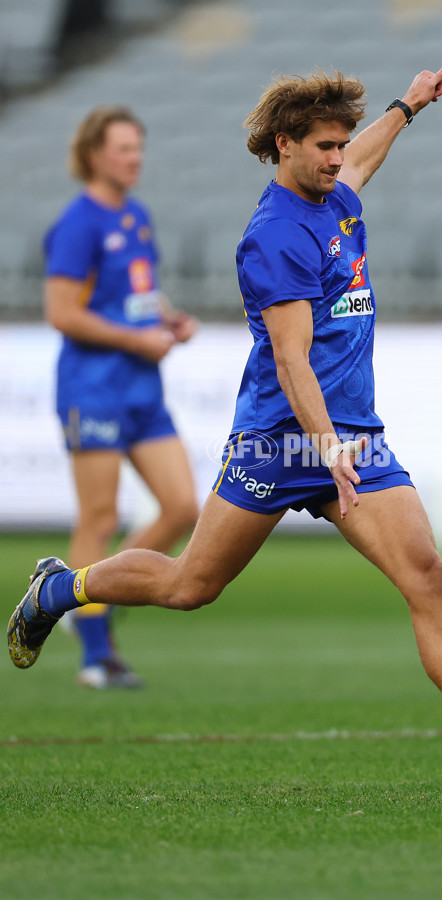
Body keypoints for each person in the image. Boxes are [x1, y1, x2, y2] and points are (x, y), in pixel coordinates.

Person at [8, 69, 442, 791]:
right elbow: (291, 358)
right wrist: (325, 446)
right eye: (325, 147)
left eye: (340, 146)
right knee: (189, 586)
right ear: (285, 146)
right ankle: (60, 588)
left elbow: (366, 156)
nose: (339, 159)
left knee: (428, 577)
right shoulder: (274, 237)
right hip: (279, 444)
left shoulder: (336, 191)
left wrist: (408, 106)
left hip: (354, 438)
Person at [39, 105, 199, 688]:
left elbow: (139, 295)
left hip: (140, 387)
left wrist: (171, 320)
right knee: (100, 515)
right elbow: (61, 312)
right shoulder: (78, 224)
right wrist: (136, 338)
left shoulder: (136, 216)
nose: (134, 158)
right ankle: (95, 653)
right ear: (92, 155)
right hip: (94, 387)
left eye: (138, 148)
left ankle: (92, 591)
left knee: (184, 506)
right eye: (123, 148)